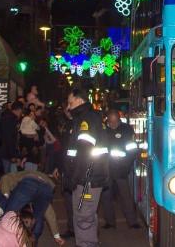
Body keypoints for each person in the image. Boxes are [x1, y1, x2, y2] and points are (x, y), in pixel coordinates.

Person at [64, 88, 109, 247]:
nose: (68, 106)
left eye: (70, 102)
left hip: (87, 177)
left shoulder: (86, 119)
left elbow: (84, 152)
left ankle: (87, 244)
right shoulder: (86, 117)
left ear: (79, 100)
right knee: (87, 215)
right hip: (89, 176)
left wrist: (75, 177)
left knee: (83, 217)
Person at [100, 110, 139, 229]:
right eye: (110, 122)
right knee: (106, 196)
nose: (113, 124)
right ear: (107, 120)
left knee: (125, 196)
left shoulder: (126, 129)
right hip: (106, 169)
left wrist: (126, 165)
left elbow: (132, 150)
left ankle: (132, 222)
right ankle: (110, 222)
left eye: (115, 122)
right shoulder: (103, 130)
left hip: (121, 169)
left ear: (119, 119)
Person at [0, 170, 62, 245]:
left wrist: (6, 196)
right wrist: (57, 236)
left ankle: (4, 241)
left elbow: (5, 177)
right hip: (47, 188)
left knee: (9, 215)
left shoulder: (21, 173)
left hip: (29, 183)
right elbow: (50, 214)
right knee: (38, 217)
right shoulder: (45, 180)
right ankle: (32, 243)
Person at [0, 101, 23, 173]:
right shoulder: (10, 120)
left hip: (5, 151)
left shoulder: (7, 118)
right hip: (6, 153)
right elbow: (9, 138)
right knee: (6, 175)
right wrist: (13, 155)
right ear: (19, 110)